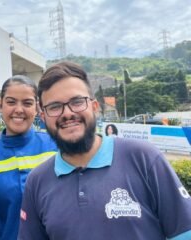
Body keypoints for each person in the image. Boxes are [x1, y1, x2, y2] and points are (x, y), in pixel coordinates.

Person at [18, 61, 191, 239]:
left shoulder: (144, 159)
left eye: (77, 102)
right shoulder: (37, 182)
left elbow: (185, 233)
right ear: (43, 117)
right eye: (54, 107)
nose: (67, 113)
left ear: (95, 107)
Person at [0, 75, 58, 240]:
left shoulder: (56, 147)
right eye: (11, 102)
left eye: (27, 103)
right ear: (0, 105)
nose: (19, 109)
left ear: (37, 108)